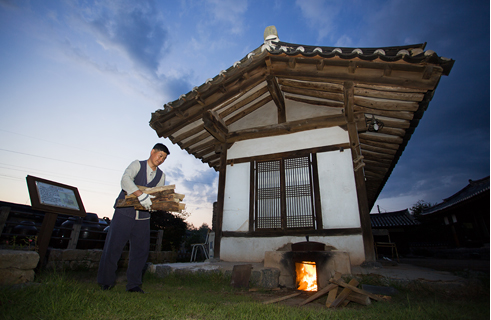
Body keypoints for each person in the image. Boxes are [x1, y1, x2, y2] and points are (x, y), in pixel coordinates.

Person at [97, 143, 170, 293]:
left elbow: (157, 195)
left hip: (143, 218)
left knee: (140, 251)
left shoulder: (161, 176)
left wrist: (157, 204)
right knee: (114, 247)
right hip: (124, 213)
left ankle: (134, 285)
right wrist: (140, 195)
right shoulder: (137, 164)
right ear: (152, 152)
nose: (161, 159)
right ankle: (106, 282)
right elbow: (125, 180)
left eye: (164, 158)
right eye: (160, 155)